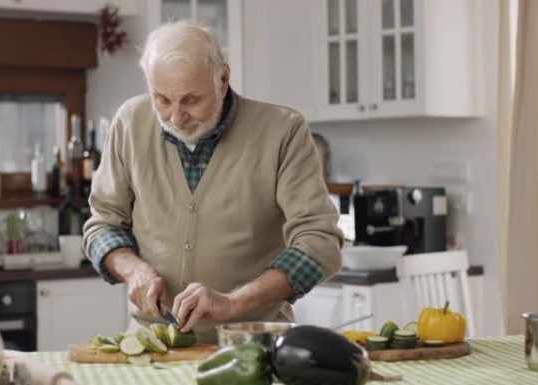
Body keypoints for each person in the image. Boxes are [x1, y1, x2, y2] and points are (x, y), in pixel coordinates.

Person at [83, 21, 343, 342]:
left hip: (252, 340)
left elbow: (321, 243)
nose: (176, 117)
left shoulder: (283, 131)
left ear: (223, 79)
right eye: (162, 99)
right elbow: (102, 226)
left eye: (191, 100)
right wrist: (134, 270)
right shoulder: (129, 122)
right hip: (153, 343)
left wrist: (231, 303)